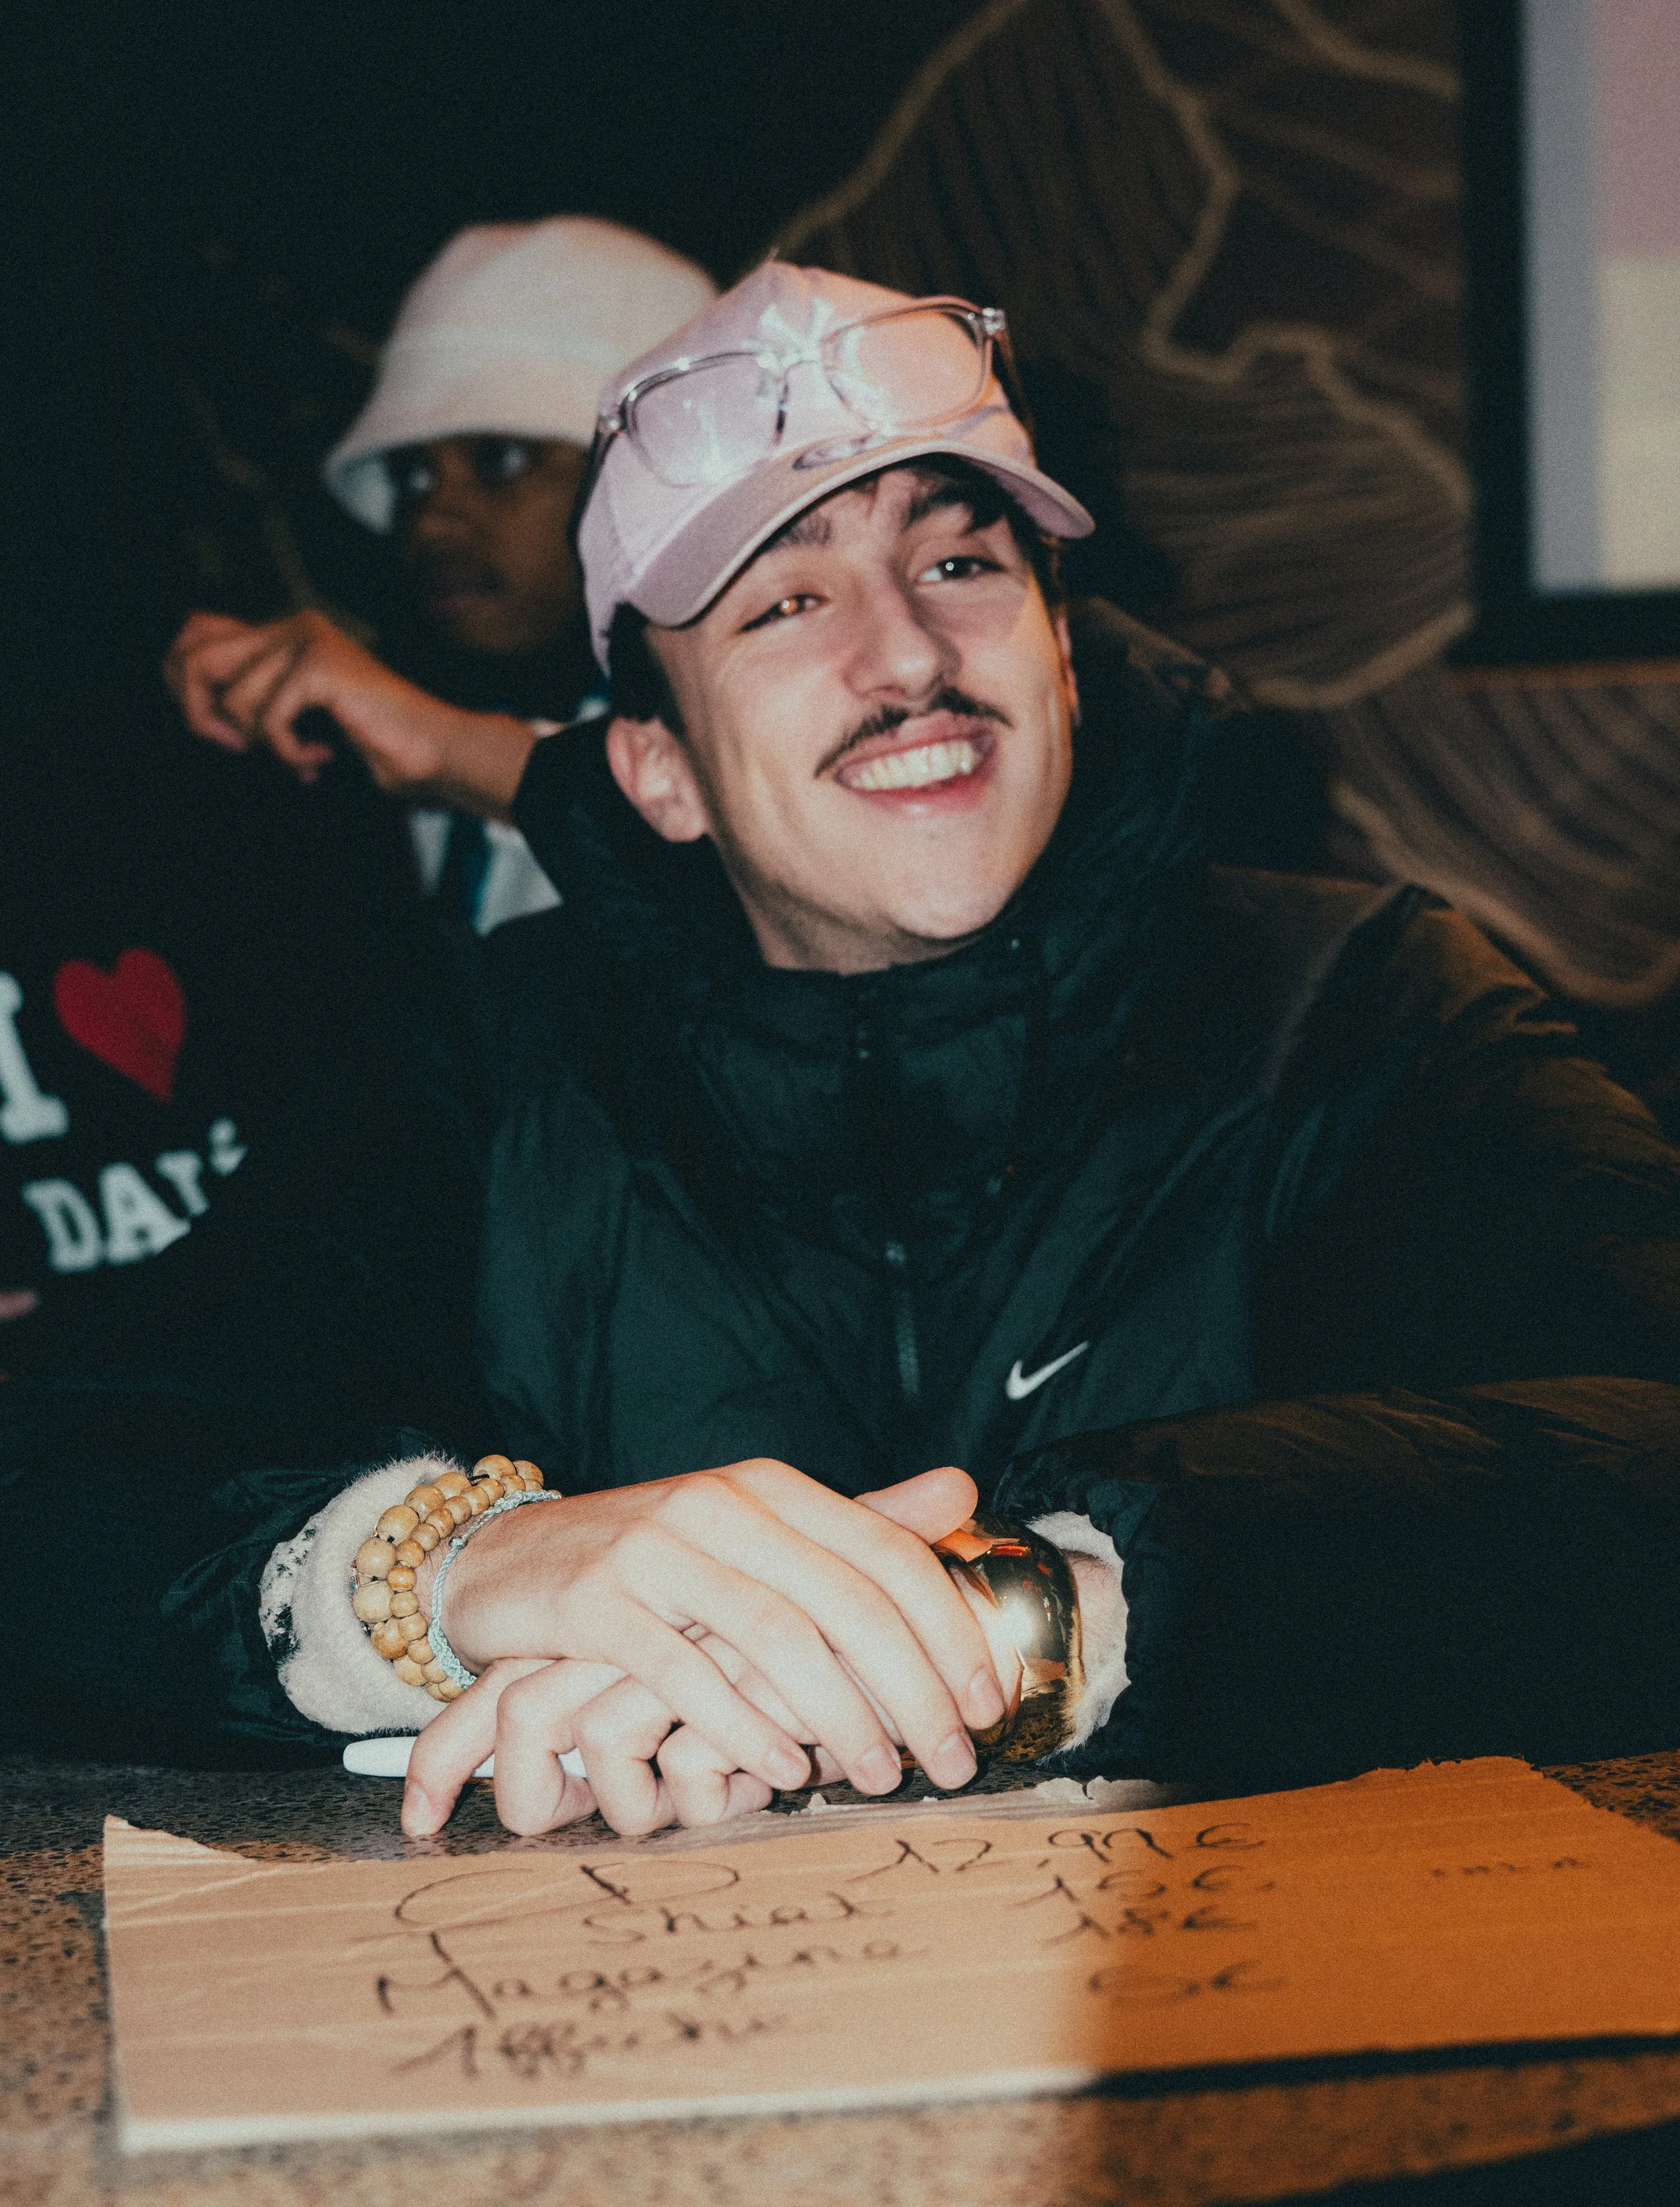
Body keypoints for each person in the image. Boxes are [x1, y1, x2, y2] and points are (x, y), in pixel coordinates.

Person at [16, 263, 1680, 1827]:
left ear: (1064, 659)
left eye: (961, 564)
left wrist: (1037, 1618)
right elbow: (66, 1472)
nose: (905, 656)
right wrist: (458, 1570)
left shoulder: (1352, 1005)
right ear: (655, 767)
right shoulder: (491, 1059)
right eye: (784, 599)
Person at [165, 218, 714, 933]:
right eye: (412, 474)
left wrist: (439, 746)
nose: (429, 520)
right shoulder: (361, 787)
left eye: (501, 460)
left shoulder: (766, 712)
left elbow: (739, 846)